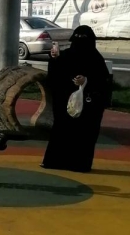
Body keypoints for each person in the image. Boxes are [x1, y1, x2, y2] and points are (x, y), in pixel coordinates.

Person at [42, 25, 111, 173]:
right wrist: (54, 58)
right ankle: (56, 161)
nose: (80, 44)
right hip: (65, 102)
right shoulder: (66, 55)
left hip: (88, 106)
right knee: (62, 131)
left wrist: (86, 81)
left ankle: (79, 164)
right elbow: (56, 75)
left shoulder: (96, 60)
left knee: (84, 134)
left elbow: (103, 82)